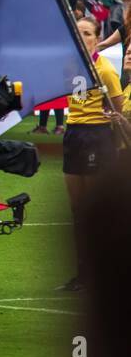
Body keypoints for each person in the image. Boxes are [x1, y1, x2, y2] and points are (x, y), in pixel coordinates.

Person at [58, 16, 125, 290]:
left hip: (96, 135)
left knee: (95, 209)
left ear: (97, 39)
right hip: (74, 133)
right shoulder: (71, 65)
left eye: (87, 33)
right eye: (78, 32)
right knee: (77, 210)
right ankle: (82, 272)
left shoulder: (105, 70)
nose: (82, 37)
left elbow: (117, 107)